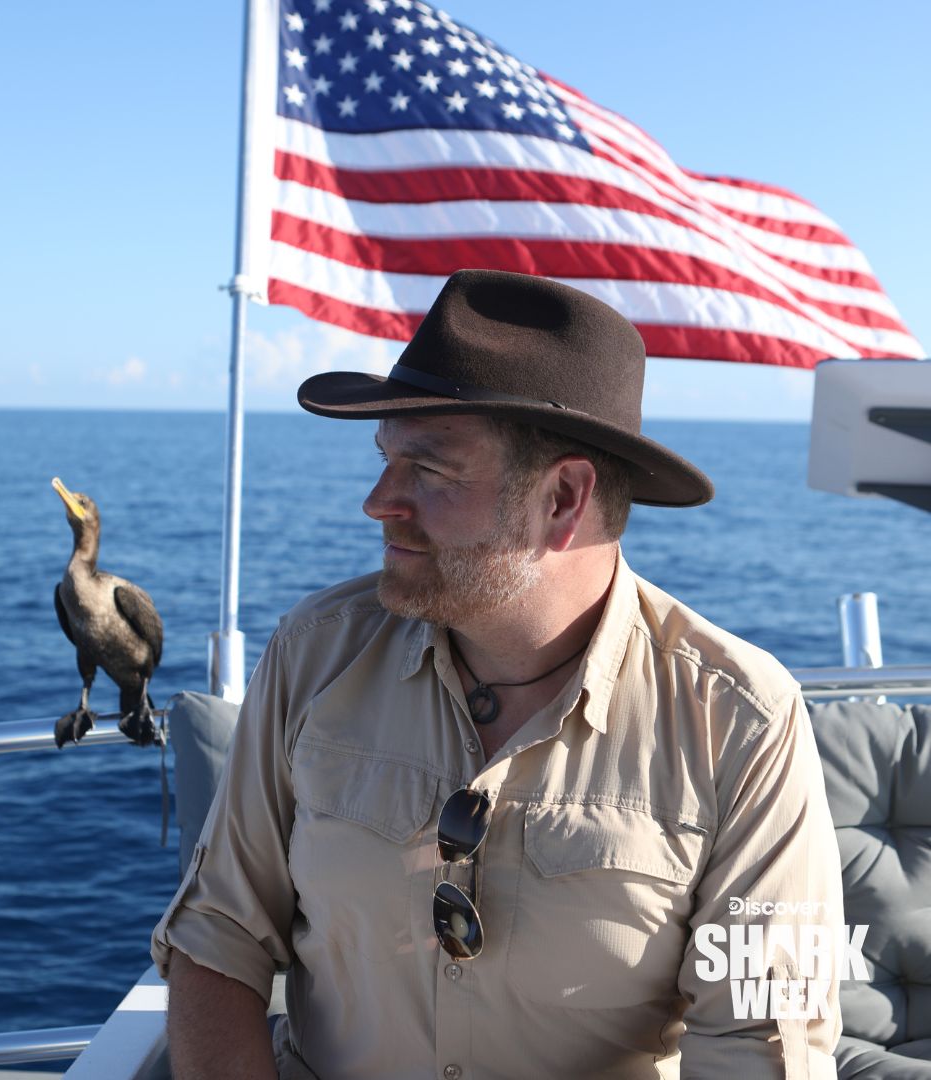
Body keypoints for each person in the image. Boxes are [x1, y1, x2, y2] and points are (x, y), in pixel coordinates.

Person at [152, 270, 844, 1079]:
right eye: (386, 461)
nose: (380, 500)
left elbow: (760, 1047)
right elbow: (218, 941)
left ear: (562, 499)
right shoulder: (315, 653)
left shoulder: (740, 721)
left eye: (432, 471)